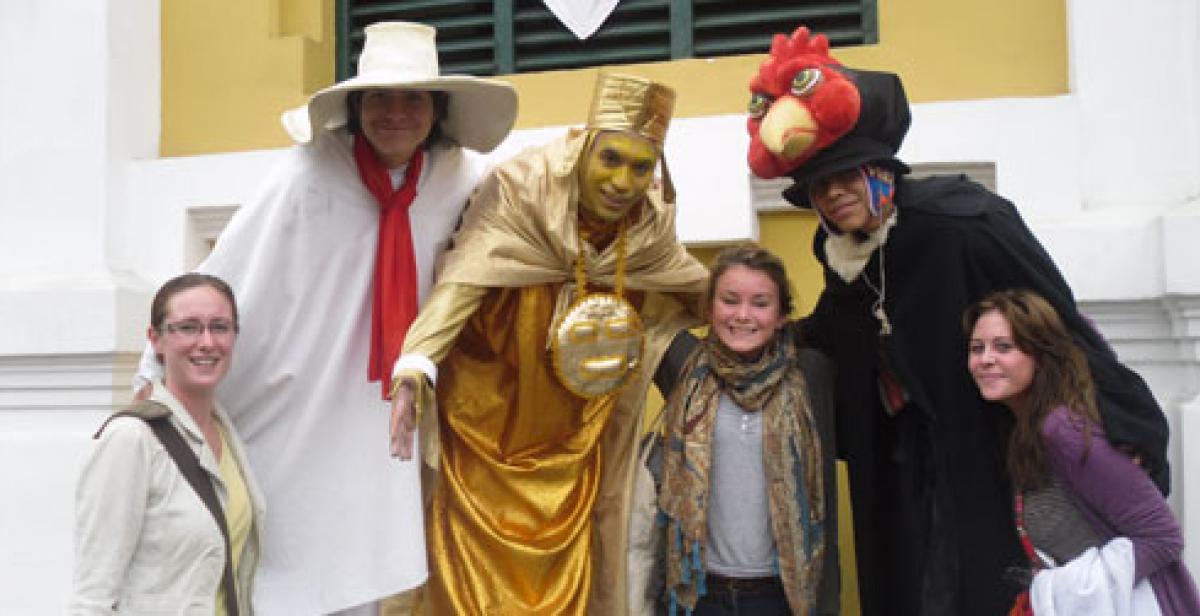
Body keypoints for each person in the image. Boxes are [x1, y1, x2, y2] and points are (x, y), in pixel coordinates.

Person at [745, 26, 1172, 615]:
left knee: (983, 587)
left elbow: (1057, 325)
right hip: (903, 464)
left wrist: (1120, 431)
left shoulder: (965, 225)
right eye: (820, 185)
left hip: (985, 450)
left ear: (884, 173)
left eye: (848, 175)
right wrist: (759, 334)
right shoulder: (838, 250)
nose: (835, 193)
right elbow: (839, 328)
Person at [133, 22, 517, 615]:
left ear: (437, 108)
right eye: (380, 98)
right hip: (298, 407)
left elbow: (514, 249)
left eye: (413, 97)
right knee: (284, 565)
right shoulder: (307, 175)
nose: (395, 113)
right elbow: (233, 268)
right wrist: (158, 375)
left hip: (385, 417)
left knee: (368, 571)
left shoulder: (458, 180)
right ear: (356, 105)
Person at [388, 72, 709, 615]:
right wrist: (415, 366)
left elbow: (693, 287)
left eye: (640, 167)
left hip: (573, 433)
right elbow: (463, 282)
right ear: (584, 149)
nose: (623, 182)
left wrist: (753, 319)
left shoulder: (647, 225)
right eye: (611, 160)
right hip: (486, 421)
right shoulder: (522, 190)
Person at [965, 289, 1200, 615]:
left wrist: (1059, 591)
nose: (985, 359)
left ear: (1041, 354)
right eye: (976, 348)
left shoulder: (1065, 431)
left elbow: (1161, 537)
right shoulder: (1027, 430)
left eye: (1004, 347)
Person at [654, 245, 838, 616]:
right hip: (697, 593)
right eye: (729, 300)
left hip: (781, 596)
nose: (742, 315)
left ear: (782, 314)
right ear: (709, 308)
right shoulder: (683, 363)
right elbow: (636, 288)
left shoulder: (811, 374)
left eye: (760, 303)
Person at [73, 273, 265, 615]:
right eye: (188, 328)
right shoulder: (131, 439)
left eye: (219, 327)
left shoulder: (227, 435)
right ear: (156, 340)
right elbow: (93, 594)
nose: (206, 342)